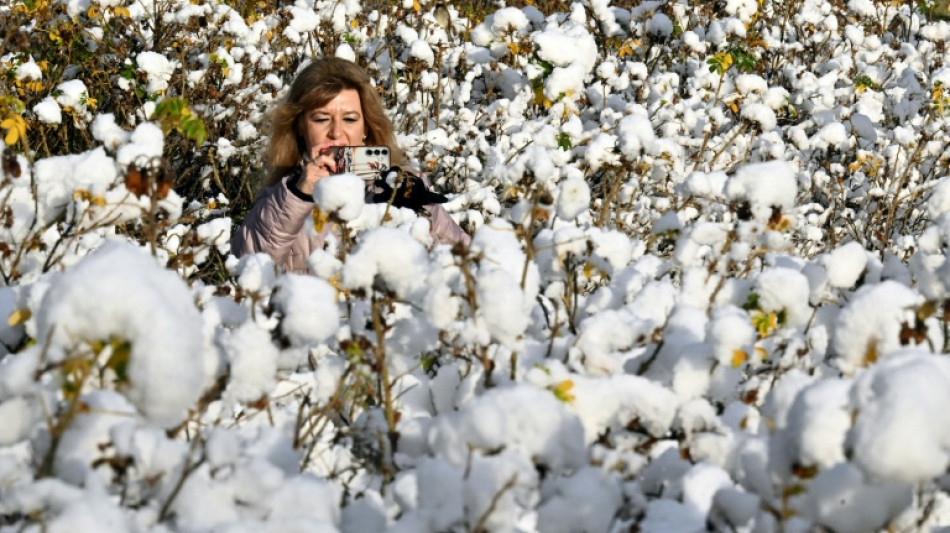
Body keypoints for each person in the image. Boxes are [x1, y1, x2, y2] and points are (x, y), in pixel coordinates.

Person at [232, 57, 470, 273]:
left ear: (366, 126)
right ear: (300, 126)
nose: (336, 133)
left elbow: (465, 264)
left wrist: (420, 213)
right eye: (321, 119)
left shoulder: (401, 184)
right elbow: (250, 268)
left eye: (349, 119)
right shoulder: (282, 199)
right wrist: (299, 195)